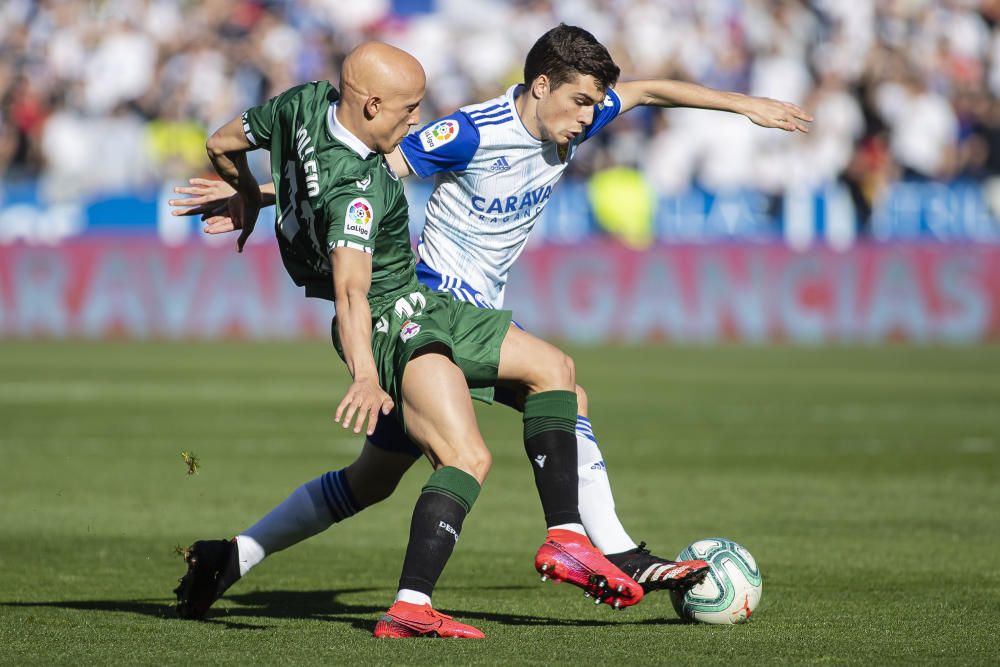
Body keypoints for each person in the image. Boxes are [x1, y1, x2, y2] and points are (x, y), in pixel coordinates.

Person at [173, 23, 811, 616]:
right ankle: (605, 550)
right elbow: (364, 173)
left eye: (595, 104)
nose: (591, 117)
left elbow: (646, 92)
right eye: (581, 102)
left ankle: (229, 557)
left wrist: (743, 104)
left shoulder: (574, 119)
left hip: (465, 312)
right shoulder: (470, 133)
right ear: (541, 87)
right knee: (557, 383)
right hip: (429, 308)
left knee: (370, 481)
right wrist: (255, 195)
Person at [174, 41, 646, 640]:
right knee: (466, 457)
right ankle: (417, 603)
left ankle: (231, 556)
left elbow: (220, 143)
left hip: (427, 306)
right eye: (409, 108)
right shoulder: (357, 195)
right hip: (396, 321)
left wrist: (247, 193)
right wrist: (367, 375)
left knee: (542, 376)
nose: (416, 119)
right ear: (370, 105)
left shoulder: (299, 106)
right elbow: (351, 293)